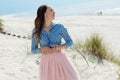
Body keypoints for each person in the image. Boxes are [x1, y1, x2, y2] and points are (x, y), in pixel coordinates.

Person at [31, 4, 80, 80]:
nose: (54, 12)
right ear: (45, 14)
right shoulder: (36, 31)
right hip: (46, 63)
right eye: (51, 10)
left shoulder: (59, 27)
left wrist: (59, 47)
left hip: (60, 60)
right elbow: (33, 50)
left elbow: (70, 42)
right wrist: (42, 49)